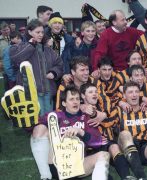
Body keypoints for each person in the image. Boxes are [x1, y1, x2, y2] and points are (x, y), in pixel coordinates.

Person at [9, 19, 63, 179]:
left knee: (48, 126)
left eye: (42, 32)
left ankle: (49, 158)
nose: (41, 35)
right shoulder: (19, 47)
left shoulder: (47, 50)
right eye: (38, 32)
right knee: (36, 128)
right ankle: (43, 166)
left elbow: (59, 63)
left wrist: (54, 72)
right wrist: (31, 44)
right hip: (32, 96)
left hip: (48, 94)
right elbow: (17, 59)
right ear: (30, 32)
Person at [104, 81, 147, 180]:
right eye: (130, 92)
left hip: (144, 149)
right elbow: (107, 122)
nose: (134, 95)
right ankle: (142, 178)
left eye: (136, 92)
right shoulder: (118, 110)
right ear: (124, 95)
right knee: (125, 134)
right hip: (125, 151)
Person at [39, 86, 110, 180]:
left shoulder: (86, 118)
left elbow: (97, 143)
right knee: (42, 129)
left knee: (104, 155)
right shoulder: (56, 116)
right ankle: (45, 175)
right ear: (64, 103)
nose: (75, 102)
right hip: (59, 165)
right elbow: (36, 126)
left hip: (78, 164)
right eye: (71, 99)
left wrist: (81, 132)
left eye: (77, 99)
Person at [80, 83, 134, 180]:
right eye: (90, 92)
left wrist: (99, 117)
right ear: (83, 95)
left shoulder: (105, 108)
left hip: (107, 143)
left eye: (96, 92)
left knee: (114, 147)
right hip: (90, 148)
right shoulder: (79, 111)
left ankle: (127, 177)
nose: (94, 94)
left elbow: (113, 119)